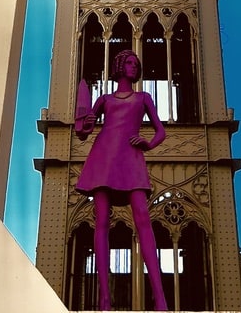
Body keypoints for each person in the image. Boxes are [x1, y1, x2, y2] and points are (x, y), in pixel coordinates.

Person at [75, 49, 167, 311]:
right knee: (101, 222)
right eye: (128, 62)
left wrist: (148, 145)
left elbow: (161, 130)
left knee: (143, 218)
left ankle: (159, 298)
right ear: (119, 66)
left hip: (131, 155)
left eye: (136, 64)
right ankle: (105, 299)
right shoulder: (103, 99)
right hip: (104, 156)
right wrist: (87, 121)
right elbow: (83, 131)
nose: (133, 67)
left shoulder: (143, 97)